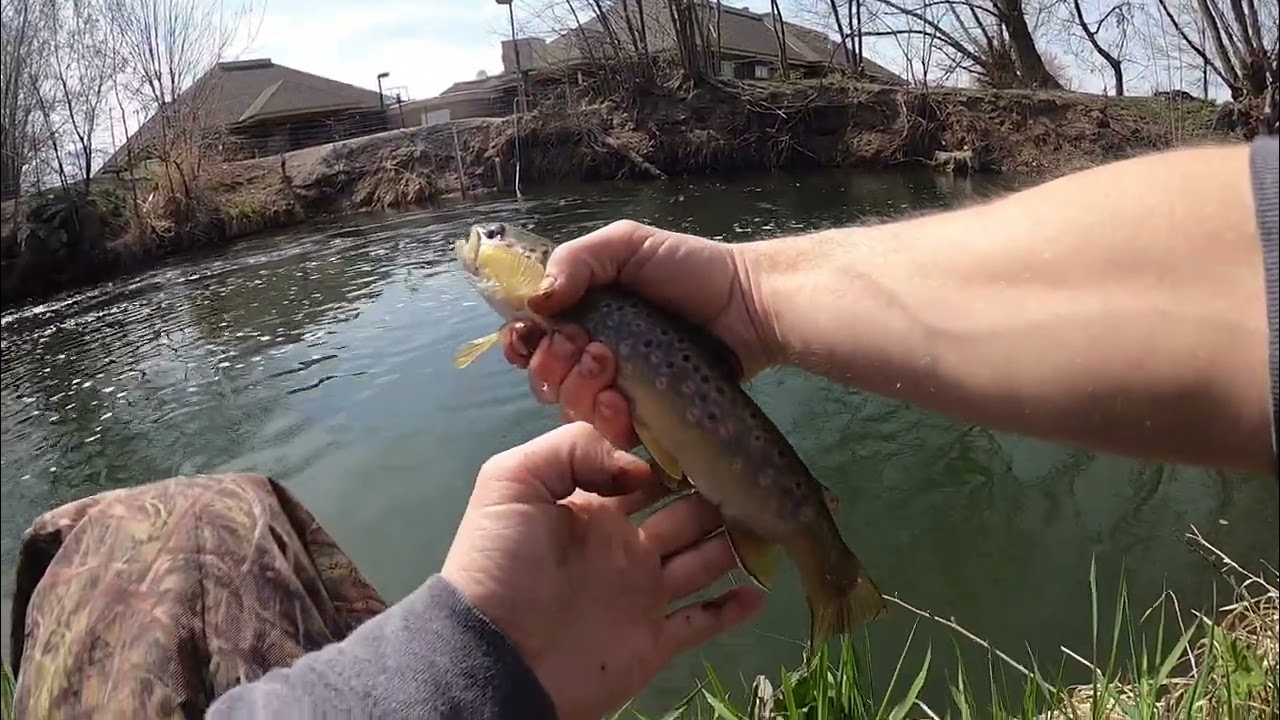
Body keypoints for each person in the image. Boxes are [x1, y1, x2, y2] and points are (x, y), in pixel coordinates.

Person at [9, 137, 1277, 720]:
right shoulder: (550, 321)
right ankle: (820, 565)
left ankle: (826, 571)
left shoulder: (584, 305)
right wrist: (750, 299)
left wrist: (747, 300)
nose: (480, 252)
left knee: (161, 525)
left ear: (527, 266)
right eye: (479, 249)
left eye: (493, 244)